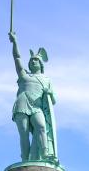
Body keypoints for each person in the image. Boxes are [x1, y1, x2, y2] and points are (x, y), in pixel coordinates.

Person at [8, 30, 57, 162]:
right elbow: (17, 58)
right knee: (23, 133)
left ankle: (45, 154)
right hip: (22, 105)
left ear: (41, 64)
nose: (33, 62)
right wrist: (15, 42)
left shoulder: (46, 79)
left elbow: (52, 101)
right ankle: (25, 159)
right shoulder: (24, 75)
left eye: (36, 60)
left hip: (37, 107)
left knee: (41, 126)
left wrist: (49, 93)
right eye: (31, 60)